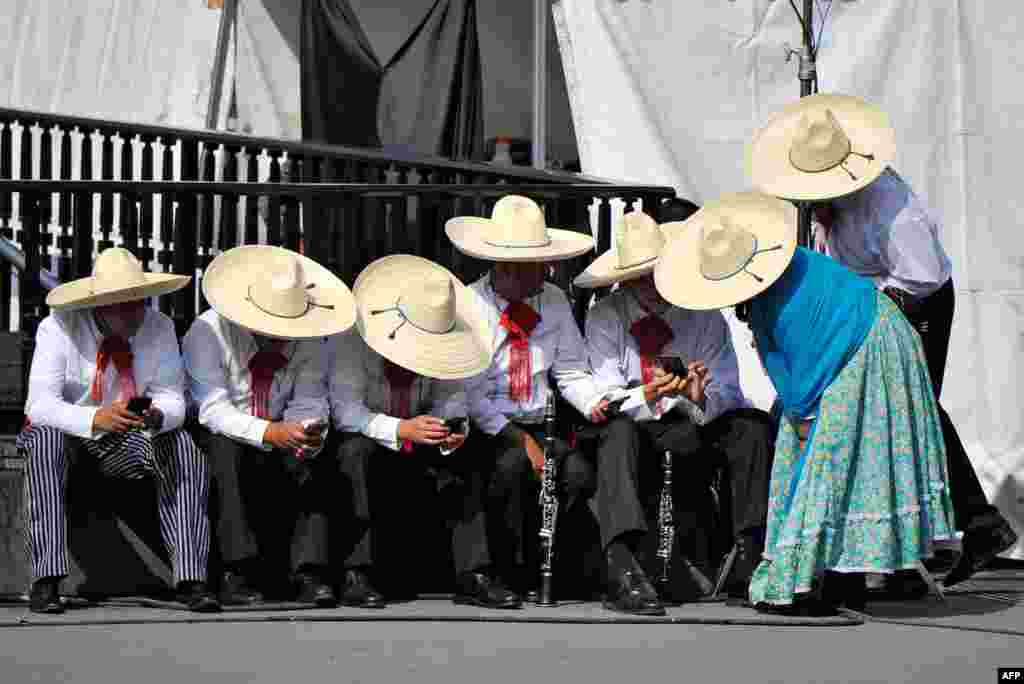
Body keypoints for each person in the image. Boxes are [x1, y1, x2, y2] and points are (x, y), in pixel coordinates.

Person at [748, 93, 1017, 588]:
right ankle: (909, 544)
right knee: (886, 419)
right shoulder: (830, 212)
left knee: (912, 409)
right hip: (859, 311)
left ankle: (975, 522)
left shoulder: (891, 207)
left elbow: (923, 278)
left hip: (911, 304)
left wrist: (869, 334)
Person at [654, 192, 956, 615]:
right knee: (832, 462)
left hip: (865, 347)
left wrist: (803, 421)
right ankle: (835, 575)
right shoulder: (783, 276)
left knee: (825, 461)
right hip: (859, 340)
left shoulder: (783, 297)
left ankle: (805, 579)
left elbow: (806, 377)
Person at [575, 209, 775, 614]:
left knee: (752, 427)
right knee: (617, 433)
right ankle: (623, 567)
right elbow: (606, 393)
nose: (649, 284)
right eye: (639, 275)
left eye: (655, 272)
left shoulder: (703, 314)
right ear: (623, 278)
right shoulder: (604, 316)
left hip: (690, 425)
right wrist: (647, 396)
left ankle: (752, 553)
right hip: (635, 427)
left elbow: (729, 387)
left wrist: (701, 399)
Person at [21, 247, 217, 613]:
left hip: (129, 441)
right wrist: (96, 419)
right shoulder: (58, 327)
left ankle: (192, 579)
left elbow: (172, 398)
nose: (135, 312)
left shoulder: (159, 327)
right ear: (99, 304)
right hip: (70, 437)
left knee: (183, 446)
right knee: (45, 440)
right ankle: (46, 580)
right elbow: (39, 406)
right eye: (122, 303)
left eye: (139, 301)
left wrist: (157, 417)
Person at [328, 255, 521, 608]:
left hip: (420, 439)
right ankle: (357, 573)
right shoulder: (353, 340)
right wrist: (401, 428)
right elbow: (345, 412)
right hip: (372, 437)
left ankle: (474, 574)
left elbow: (452, 395)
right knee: (353, 452)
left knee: (466, 454)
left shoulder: (446, 343)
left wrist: (449, 428)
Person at [445, 195, 604, 595]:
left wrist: (593, 402)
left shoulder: (552, 299)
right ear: (507, 267)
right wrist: (521, 440)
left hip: (541, 422)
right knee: (512, 466)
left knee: (578, 473)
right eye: (537, 266)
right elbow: (470, 392)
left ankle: (549, 566)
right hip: (490, 426)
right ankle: (494, 573)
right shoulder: (469, 303)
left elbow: (569, 370)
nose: (546, 272)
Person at [183, 245, 355, 607]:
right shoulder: (208, 331)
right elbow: (212, 409)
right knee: (224, 450)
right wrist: (268, 433)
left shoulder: (308, 336)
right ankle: (237, 572)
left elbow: (310, 397)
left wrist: (306, 431)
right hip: (227, 430)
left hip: (280, 429)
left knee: (319, 454)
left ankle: (311, 572)